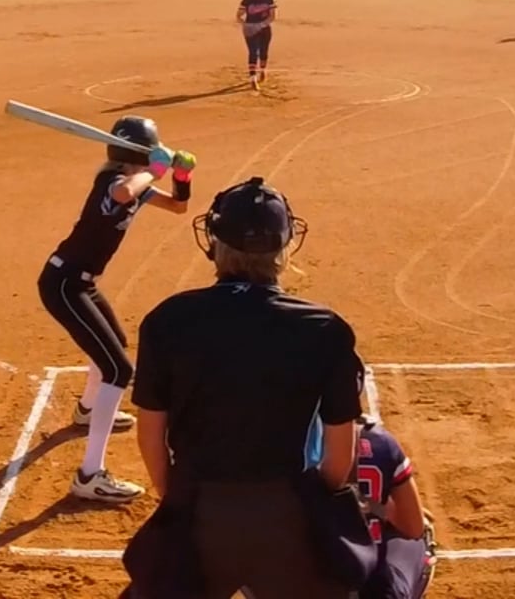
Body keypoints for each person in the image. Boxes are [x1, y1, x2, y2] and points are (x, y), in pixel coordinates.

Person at [125, 176, 368, 599]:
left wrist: (179, 498)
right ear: (285, 246)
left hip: (199, 509)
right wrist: (308, 507)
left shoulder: (168, 320)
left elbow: (150, 438)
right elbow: (339, 458)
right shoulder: (324, 328)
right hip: (288, 514)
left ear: (213, 243)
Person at [40, 116, 196, 503]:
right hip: (63, 284)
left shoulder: (137, 183)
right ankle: (89, 475)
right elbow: (125, 192)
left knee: (114, 346)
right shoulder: (111, 182)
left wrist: (181, 176)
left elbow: (177, 207)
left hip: (82, 284)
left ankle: (87, 410)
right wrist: (155, 170)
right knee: (118, 369)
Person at [356, 420, 436, 599]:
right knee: (421, 533)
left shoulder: (296, 449)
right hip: (375, 589)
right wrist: (379, 507)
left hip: (314, 582)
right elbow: (413, 527)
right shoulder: (380, 443)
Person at [238, 0, 276, 90]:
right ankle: (253, 78)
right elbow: (238, 16)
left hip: (264, 29)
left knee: (264, 51)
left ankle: (263, 70)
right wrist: (245, 25)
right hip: (251, 30)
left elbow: (272, 16)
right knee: (253, 52)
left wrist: (260, 25)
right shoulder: (247, 0)